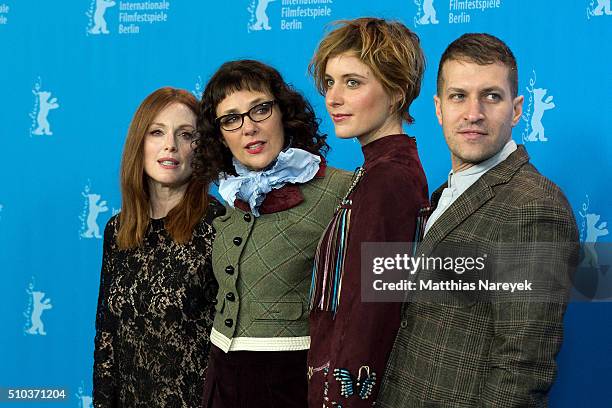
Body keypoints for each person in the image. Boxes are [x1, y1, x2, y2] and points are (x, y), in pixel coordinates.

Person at [377, 33, 579, 407]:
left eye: (491, 96)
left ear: (517, 109)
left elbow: (523, 369)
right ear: (438, 108)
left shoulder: (535, 208)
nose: (473, 113)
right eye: (459, 96)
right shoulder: (444, 193)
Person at [192, 59, 352, 408]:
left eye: (259, 110)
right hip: (221, 376)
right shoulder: (230, 197)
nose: (248, 128)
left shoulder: (341, 189)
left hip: (288, 380)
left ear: (283, 112)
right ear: (220, 135)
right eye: (231, 119)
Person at [307, 18, 429, 407]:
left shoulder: (388, 180)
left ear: (395, 92)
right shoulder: (378, 171)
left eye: (353, 82)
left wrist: (338, 399)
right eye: (330, 82)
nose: (333, 97)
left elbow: (369, 316)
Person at [93, 87, 222, 407]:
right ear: (139, 143)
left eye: (186, 134)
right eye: (157, 132)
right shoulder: (117, 231)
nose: (170, 145)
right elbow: (107, 338)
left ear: (201, 148)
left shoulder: (220, 225)